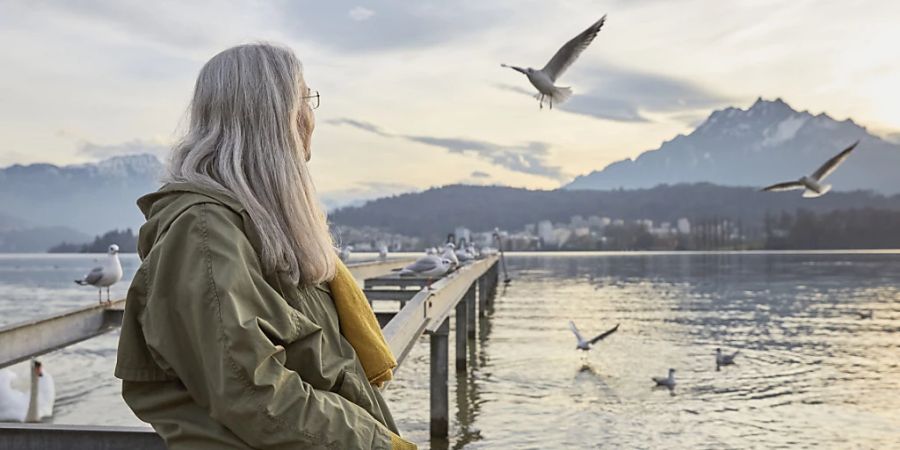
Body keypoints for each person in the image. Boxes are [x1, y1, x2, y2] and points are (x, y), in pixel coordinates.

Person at [114, 43, 415, 449]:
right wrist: (378, 445)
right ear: (276, 118)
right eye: (304, 99)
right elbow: (253, 392)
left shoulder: (262, 227)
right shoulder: (202, 233)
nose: (311, 116)